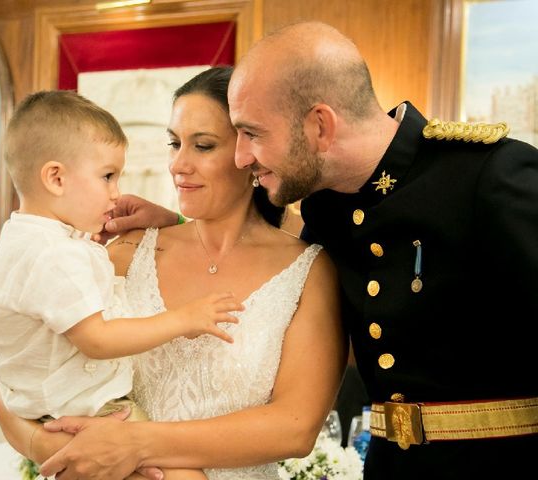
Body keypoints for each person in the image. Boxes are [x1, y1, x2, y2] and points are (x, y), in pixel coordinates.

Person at [85, 21, 538, 480]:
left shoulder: (486, 177)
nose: (243, 156)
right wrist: (175, 222)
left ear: (320, 125)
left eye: (254, 134)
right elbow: (248, 242)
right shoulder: (327, 208)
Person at [0, 67, 346, 480]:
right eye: (175, 143)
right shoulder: (126, 251)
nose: (178, 164)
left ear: (249, 155)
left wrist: (135, 446)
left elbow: (296, 428)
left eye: (203, 146)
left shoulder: (307, 271)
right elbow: (17, 376)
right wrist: (61, 450)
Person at [0, 90, 248, 480]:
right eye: (107, 176)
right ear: (55, 177)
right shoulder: (57, 256)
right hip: (83, 410)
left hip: (45, 403)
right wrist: (184, 319)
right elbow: (98, 340)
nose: (117, 192)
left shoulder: (26, 240)